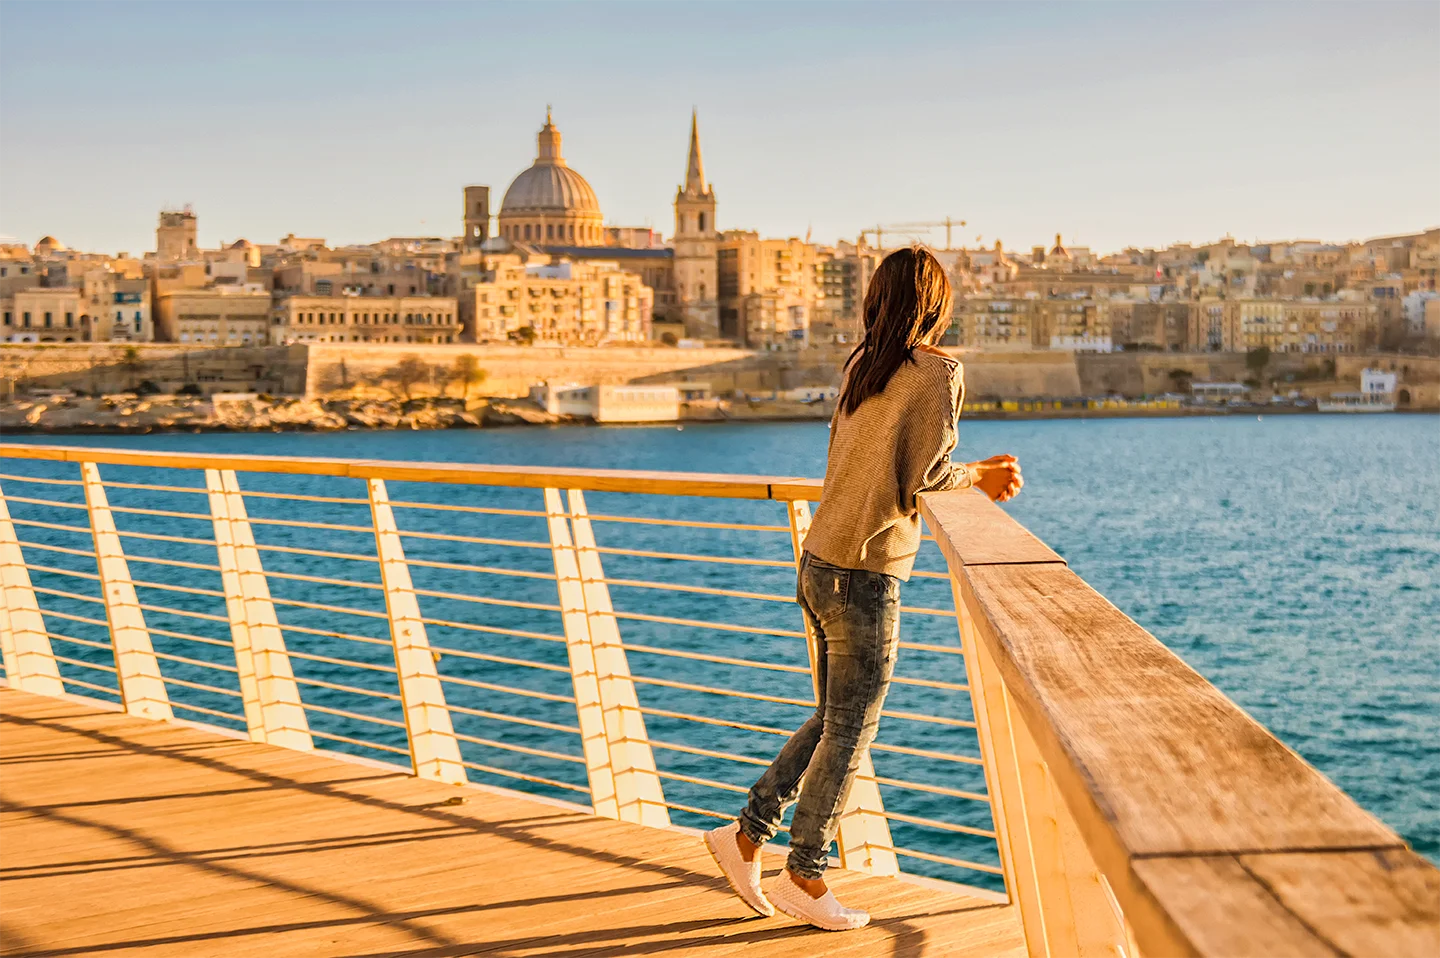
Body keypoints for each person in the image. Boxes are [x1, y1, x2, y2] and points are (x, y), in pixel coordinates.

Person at [703, 246, 1023, 931]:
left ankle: (744, 836)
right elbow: (924, 481)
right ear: (936, 304)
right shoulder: (939, 372)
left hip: (818, 559)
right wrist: (984, 478)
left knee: (832, 718)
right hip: (866, 572)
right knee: (852, 724)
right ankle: (805, 874)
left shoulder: (861, 364)